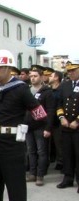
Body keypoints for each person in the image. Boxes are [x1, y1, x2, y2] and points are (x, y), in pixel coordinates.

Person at [0, 49, 47, 201]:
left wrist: (25, 127)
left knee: (17, 196)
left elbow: (41, 115)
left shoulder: (21, 89)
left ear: (9, 68)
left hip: (13, 148)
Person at [24, 65, 55, 186]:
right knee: (30, 151)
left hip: (41, 126)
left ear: (42, 77)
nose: (32, 78)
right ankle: (32, 173)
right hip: (28, 126)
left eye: (35, 76)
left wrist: (48, 128)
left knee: (41, 151)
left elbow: (51, 111)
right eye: (31, 76)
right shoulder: (27, 90)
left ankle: (40, 175)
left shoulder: (47, 92)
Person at [55, 61, 79, 193]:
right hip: (66, 125)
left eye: (73, 70)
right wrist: (61, 117)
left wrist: (77, 121)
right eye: (69, 71)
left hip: (77, 126)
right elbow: (59, 103)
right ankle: (68, 178)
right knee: (67, 153)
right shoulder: (65, 85)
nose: (70, 73)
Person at [49, 70, 64, 170]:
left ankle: (61, 162)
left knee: (59, 144)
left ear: (56, 78)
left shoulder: (61, 90)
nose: (49, 77)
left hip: (58, 121)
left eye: (51, 75)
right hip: (50, 121)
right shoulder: (49, 90)